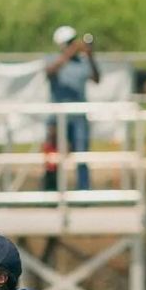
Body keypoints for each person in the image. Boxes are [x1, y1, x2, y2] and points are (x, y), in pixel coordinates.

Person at [45, 25, 101, 192]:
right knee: (53, 157)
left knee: (81, 155)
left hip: (78, 118)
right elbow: (49, 72)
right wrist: (69, 53)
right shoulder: (54, 59)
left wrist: (90, 56)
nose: (74, 44)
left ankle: (83, 192)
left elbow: (97, 79)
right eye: (69, 42)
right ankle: (51, 192)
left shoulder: (82, 62)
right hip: (57, 118)